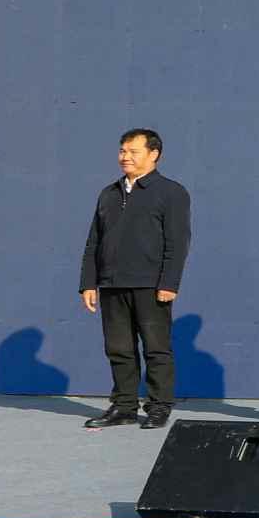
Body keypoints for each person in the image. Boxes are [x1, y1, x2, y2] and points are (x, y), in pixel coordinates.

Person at [78, 126, 190, 431]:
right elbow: (94, 241)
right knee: (118, 349)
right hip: (112, 284)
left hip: (150, 285)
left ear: (154, 154)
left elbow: (178, 242)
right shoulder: (109, 193)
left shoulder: (171, 192)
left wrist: (169, 283)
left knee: (156, 348)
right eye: (122, 151)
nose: (125, 157)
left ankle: (159, 406)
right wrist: (89, 282)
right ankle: (124, 406)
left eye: (133, 151)